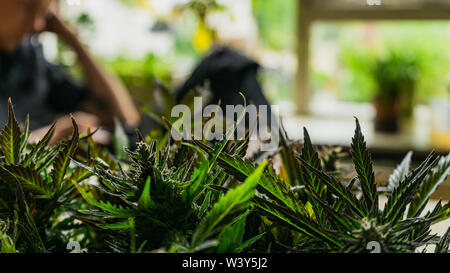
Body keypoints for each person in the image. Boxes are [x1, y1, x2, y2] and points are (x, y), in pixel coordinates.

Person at [0, 0, 141, 144]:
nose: (38, 25)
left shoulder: (29, 59)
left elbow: (124, 118)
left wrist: (68, 33)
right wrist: (53, 136)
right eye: (28, 7)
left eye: (44, 15)